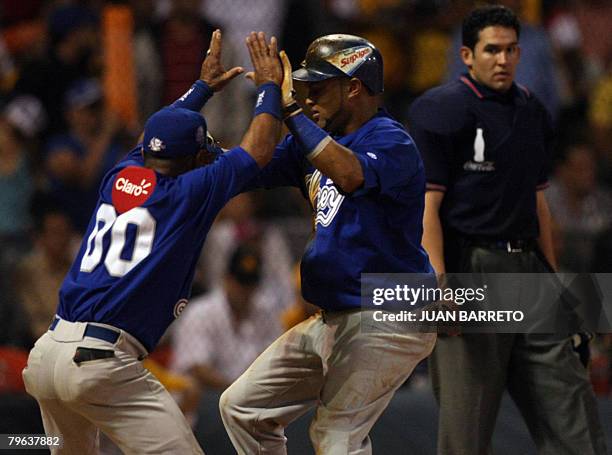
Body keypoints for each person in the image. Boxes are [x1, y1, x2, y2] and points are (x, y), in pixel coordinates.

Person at [21, 30, 284, 454]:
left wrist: (200, 89)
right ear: (195, 159)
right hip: (101, 363)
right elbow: (259, 147)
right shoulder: (188, 192)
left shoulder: (120, 174)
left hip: (47, 356)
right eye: (203, 152)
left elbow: (152, 136)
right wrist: (270, 85)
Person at [220, 34, 437, 454]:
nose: (306, 99)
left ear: (353, 86)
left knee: (337, 438)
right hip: (335, 316)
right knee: (243, 407)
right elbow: (247, 167)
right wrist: (193, 148)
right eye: (301, 91)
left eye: (316, 89)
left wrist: (288, 109)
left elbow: (350, 174)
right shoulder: (310, 143)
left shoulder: (391, 140)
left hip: (389, 313)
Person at [409, 5, 607, 454]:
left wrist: (556, 281)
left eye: (511, 50)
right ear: (466, 55)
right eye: (492, 50)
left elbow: (538, 202)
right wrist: (438, 282)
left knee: (576, 422)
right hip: (470, 271)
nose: (503, 59)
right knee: (465, 432)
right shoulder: (440, 109)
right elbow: (428, 207)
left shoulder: (532, 109)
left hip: (529, 269)